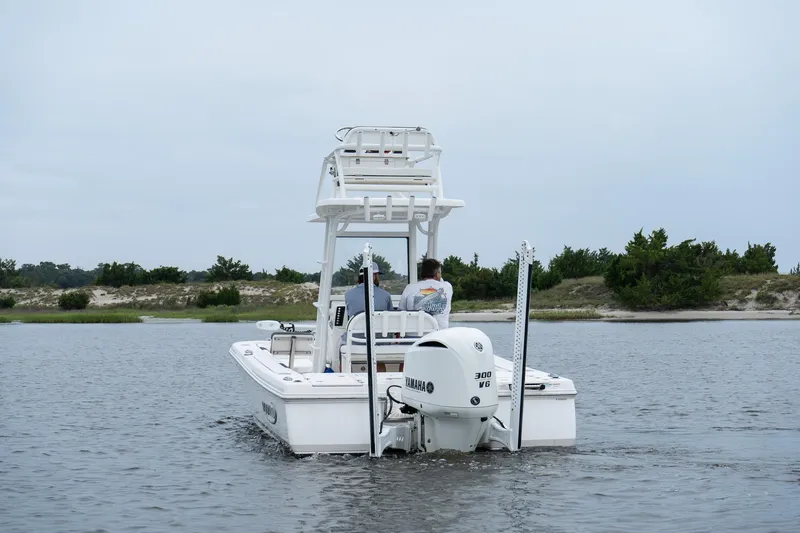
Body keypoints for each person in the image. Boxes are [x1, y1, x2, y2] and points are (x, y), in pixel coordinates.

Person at [398, 258, 453, 329]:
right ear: (437, 273)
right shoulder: (447, 287)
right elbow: (441, 281)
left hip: (413, 336)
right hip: (439, 337)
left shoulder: (410, 288)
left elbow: (401, 311)